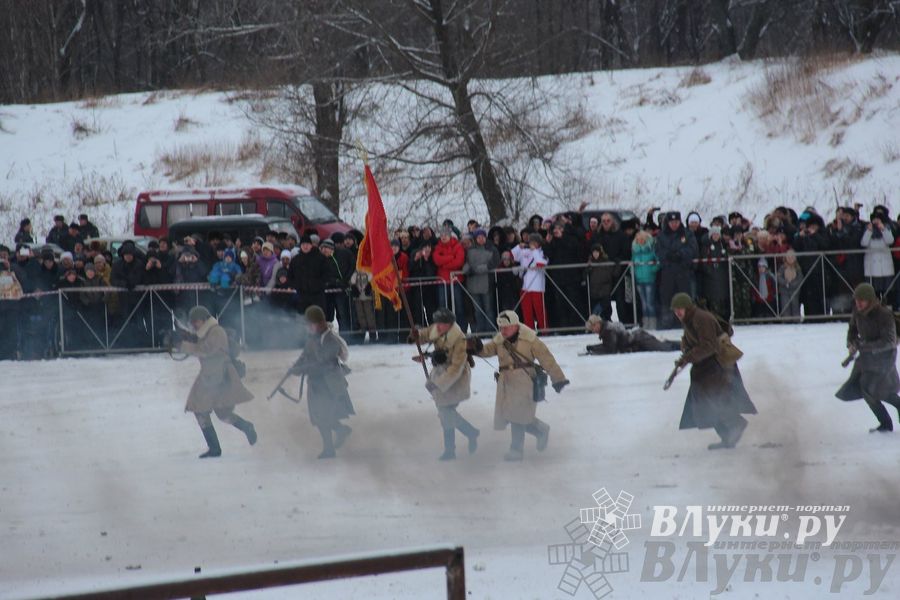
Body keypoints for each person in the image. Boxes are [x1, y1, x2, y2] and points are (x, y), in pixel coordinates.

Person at [470, 310, 569, 461]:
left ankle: (516, 450)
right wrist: (477, 348)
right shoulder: (499, 339)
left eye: (506, 328)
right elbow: (487, 351)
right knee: (514, 415)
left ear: (515, 325)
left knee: (517, 415)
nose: (502, 331)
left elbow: (546, 358)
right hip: (506, 383)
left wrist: (558, 378)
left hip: (525, 381)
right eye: (500, 328)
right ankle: (541, 430)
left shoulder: (530, 339)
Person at [670, 293, 756, 450]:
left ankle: (736, 424)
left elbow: (710, 346)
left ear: (687, 308)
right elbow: (695, 344)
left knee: (714, 401)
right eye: (676, 310)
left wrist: (689, 357)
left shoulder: (701, 318)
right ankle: (727, 437)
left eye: (680, 309)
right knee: (703, 404)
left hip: (718, 366)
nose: (678, 313)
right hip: (705, 368)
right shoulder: (689, 320)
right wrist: (686, 356)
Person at [175, 305, 256, 458]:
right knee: (216, 412)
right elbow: (198, 341)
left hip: (217, 377)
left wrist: (182, 345)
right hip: (211, 376)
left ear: (204, 320)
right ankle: (236, 433)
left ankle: (217, 447)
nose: (194, 324)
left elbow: (205, 349)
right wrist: (180, 336)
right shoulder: (206, 331)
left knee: (207, 411)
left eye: (196, 321)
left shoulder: (216, 332)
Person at [409, 308, 479, 460]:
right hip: (440, 372)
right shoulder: (436, 329)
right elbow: (425, 334)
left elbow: (456, 367)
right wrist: (416, 335)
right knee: (445, 412)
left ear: (450, 324)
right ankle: (465, 437)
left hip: (455, 378)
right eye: (437, 323)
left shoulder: (459, 339)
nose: (438, 326)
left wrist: (439, 384)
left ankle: (456, 445)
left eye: (442, 324)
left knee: (445, 411)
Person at [289, 305, 355, 458]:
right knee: (320, 417)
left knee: (324, 416)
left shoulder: (331, 340)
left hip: (330, 384)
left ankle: (329, 448)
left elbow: (323, 363)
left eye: (309, 324)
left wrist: (304, 369)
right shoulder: (313, 339)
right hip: (317, 384)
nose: (308, 328)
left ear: (318, 324)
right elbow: (305, 356)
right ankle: (339, 432)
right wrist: (296, 367)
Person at [835, 283, 900, 432]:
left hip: (884, 357)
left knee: (878, 390)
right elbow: (852, 330)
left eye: (862, 300)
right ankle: (885, 423)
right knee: (866, 389)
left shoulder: (884, 315)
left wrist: (864, 346)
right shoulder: (858, 312)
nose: (858, 303)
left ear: (870, 300)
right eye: (857, 299)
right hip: (867, 357)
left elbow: (889, 341)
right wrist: (851, 343)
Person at [656, 212, 698, 328]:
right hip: (668, 273)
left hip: (683, 272)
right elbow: (658, 251)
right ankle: (667, 323)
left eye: (676, 222)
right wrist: (668, 255)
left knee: (685, 298)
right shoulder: (661, 235)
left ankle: (687, 322)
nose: (674, 224)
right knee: (667, 299)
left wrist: (680, 254)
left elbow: (692, 249)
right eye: (671, 222)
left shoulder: (687, 234)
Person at [462, 229, 499, 333]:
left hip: (487, 284)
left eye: (483, 237)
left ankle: (491, 330)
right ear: (475, 238)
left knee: (488, 309)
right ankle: (481, 331)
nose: (481, 239)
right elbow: (465, 263)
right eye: (478, 237)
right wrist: (467, 269)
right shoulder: (469, 250)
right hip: (473, 284)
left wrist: (479, 269)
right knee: (478, 311)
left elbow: (494, 262)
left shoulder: (492, 249)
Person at [584, 315, 680, 354]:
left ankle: (683, 345)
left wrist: (593, 349)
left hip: (640, 339)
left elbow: (610, 349)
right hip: (638, 340)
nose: (593, 331)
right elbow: (609, 345)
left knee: (665, 348)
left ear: (597, 324)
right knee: (663, 346)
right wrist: (593, 348)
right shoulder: (607, 329)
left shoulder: (608, 330)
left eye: (592, 328)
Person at [511, 233, 549, 331]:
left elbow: (541, 263)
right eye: (531, 242)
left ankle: (544, 330)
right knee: (527, 311)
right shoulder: (525, 252)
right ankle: (529, 331)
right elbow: (512, 256)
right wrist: (519, 247)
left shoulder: (542, 253)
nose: (532, 244)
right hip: (525, 286)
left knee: (540, 310)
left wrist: (535, 251)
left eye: (535, 242)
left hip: (537, 287)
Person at [632, 230, 660, 329]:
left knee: (650, 303)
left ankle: (653, 323)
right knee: (644, 303)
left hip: (650, 280)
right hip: (639, 280)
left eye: (642, 239)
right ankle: (646, 323)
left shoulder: (651, 250)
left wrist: (653, 269)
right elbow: (632, 263)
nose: (640, 241)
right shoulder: (635, 251)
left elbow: (658, 262)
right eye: (639, 239)